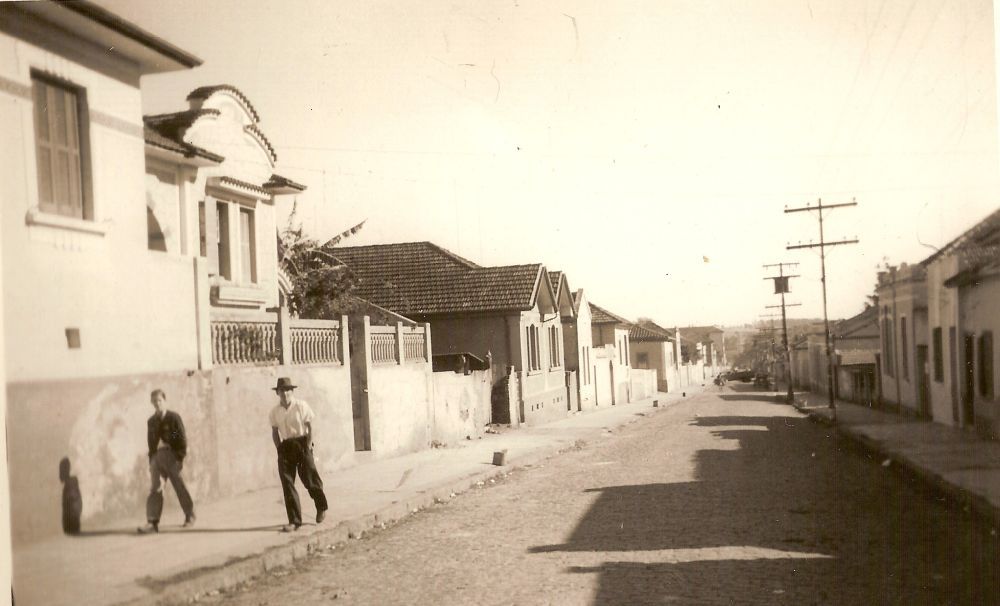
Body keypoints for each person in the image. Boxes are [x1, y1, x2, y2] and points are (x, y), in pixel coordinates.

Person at [269, 377, 328, 532]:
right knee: (287, 483)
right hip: (286, 447)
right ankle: (294, 521)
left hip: (302, 444)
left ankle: (321, 506)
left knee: (310, 479)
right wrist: (279, 449)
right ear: (278, 393)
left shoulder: (301, 406)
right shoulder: (275, 412)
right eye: (282, 390)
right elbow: (275, 432)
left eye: (288, 390)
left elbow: (310, 427)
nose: (285, 393)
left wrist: (308, 446)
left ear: (292, 391)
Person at [138, 389, 195, 533]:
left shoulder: (173, 418)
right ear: (151, 402)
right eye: (154, 401)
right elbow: (151, 442)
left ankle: (189, 515)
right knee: (155, 488)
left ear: (165, 401)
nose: (157, 403)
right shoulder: (151, 422)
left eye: (160, 400)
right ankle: (152, 522)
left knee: (179, 486)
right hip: (157, 458)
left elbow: (180, 434)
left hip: (172, 456)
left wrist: (178, 456)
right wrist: (152, 460)